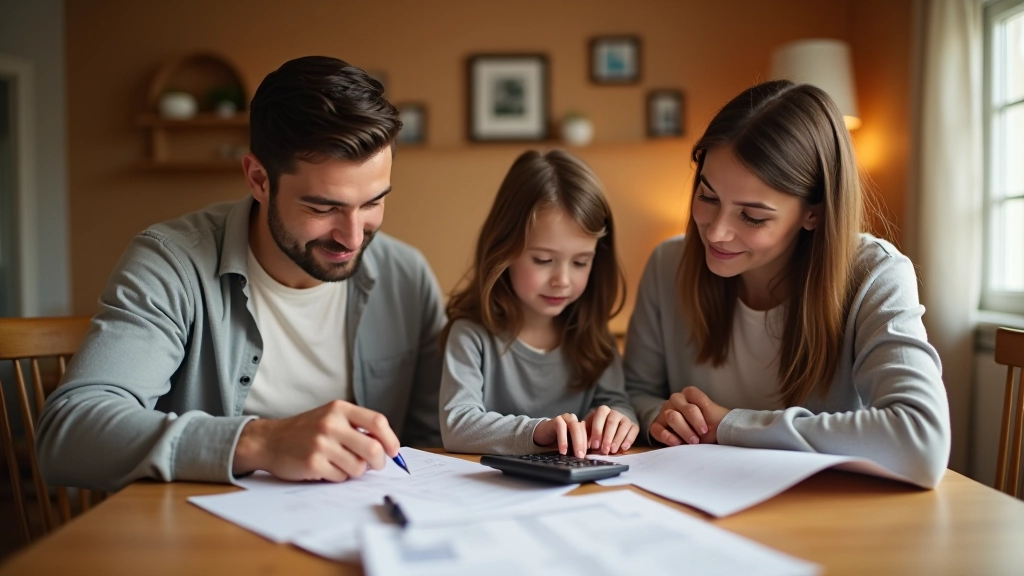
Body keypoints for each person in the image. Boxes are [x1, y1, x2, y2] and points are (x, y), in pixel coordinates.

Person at [37, 56, 446, 492]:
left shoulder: (406, 276)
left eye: (372, 203)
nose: (351, 237)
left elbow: (432, 440)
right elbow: (69, 435)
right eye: (323, 208)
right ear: (258, 179)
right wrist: (260, 441)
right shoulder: (171, 263)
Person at [625, 80, 951, 488]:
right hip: (698, 502)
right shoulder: (667, 264)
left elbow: (921, 442)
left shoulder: (875, 274)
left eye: (753, 216)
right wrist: (663, 418)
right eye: (708, 197)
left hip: (830, 518)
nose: (717, 233)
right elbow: (635, 391)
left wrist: (730, 425)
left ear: (813, 213)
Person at [439, 150, 639, 458]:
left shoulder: (594, 336)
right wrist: (538, 431)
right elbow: (457, 424)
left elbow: (618, 402)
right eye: (543, 260)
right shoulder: (470, 336)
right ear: (504, 251)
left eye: (581, 262)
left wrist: (619, 420)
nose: (562, 279)